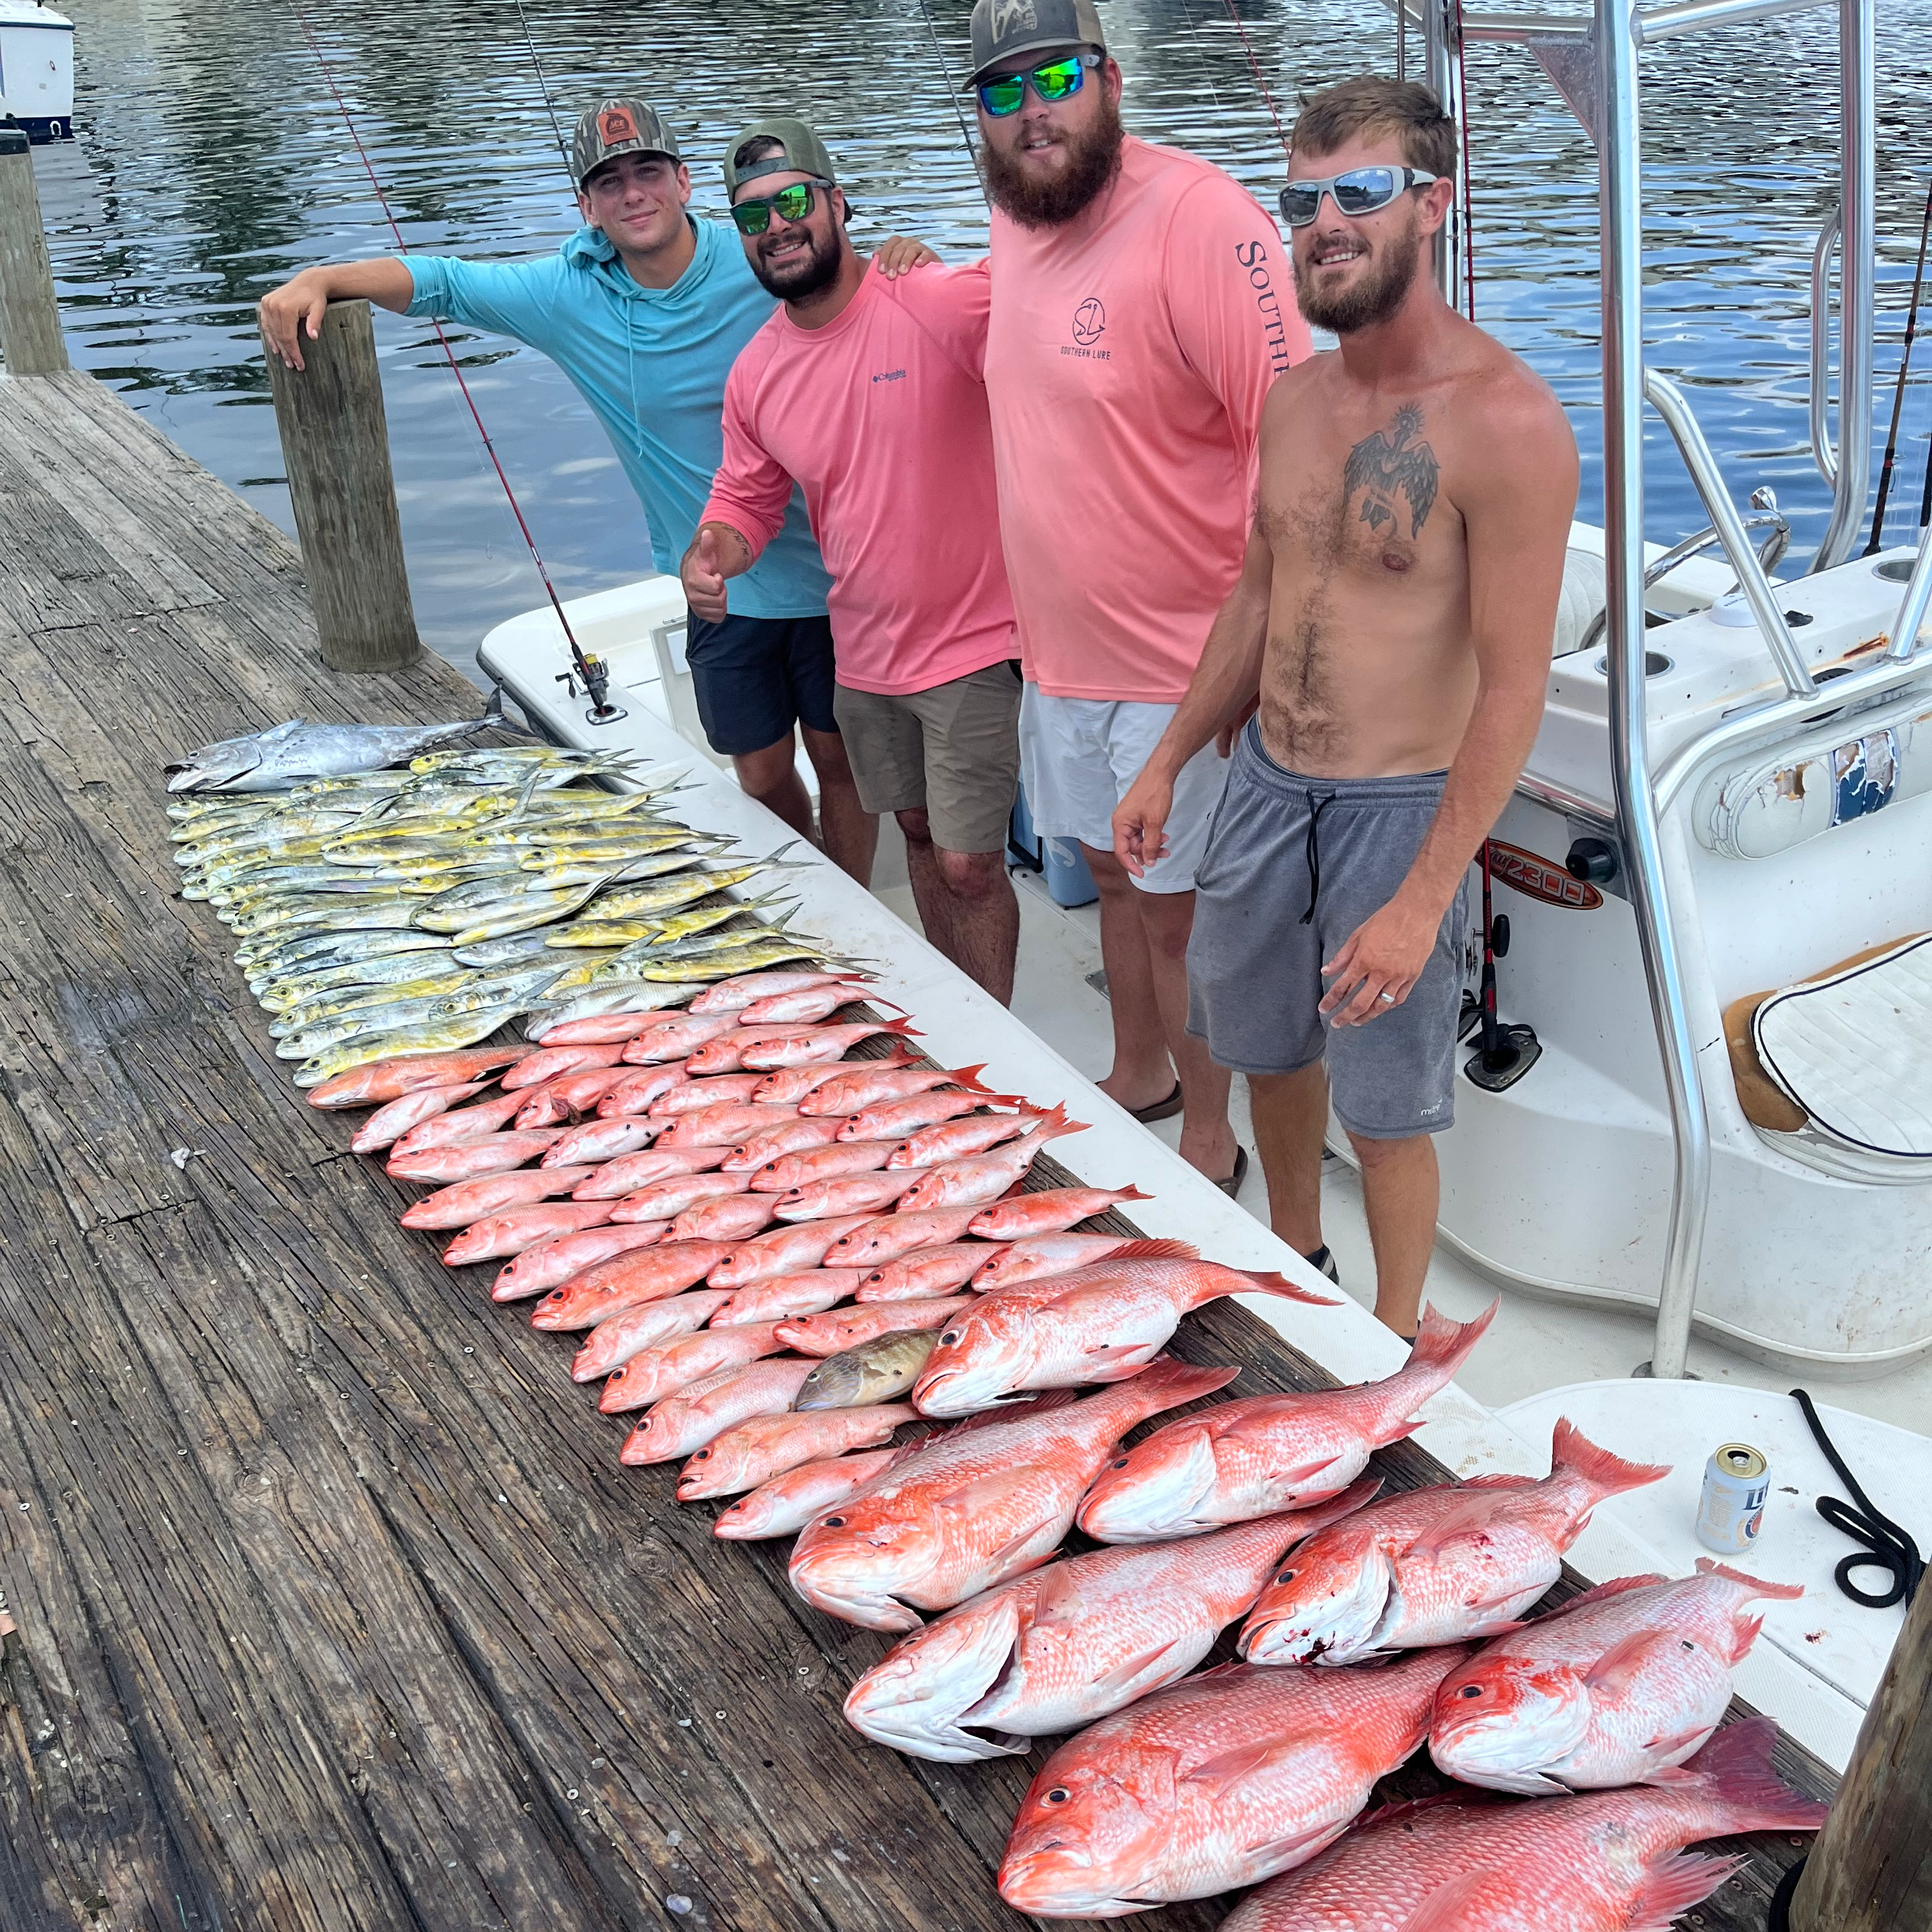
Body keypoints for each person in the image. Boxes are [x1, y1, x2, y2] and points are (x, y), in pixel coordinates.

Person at [1113, 77, 1579, 1336]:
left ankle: (1396, 1327)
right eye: (1302, 198)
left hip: (1398, 809)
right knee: (1267, 1051)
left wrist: (1424, 898)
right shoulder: (1294, 404)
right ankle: (1298, 1267)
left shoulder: (1509, 423)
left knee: (1387, 1107)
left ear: (1432, 202)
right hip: (1266, 783)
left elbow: (1517, 684)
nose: (1325, 221)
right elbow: (1259, 595)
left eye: (1360, 192)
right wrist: (1167, 758)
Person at [257, 96, 931, 883]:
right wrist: (323, 277)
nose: (633, 194)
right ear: (587, 206)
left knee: (838, 756)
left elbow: (852, 277)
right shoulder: (569, 294)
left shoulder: (759, 254)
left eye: (649, 171)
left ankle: (848, 899)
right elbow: (443, 282)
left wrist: (903, 255)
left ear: (683, 182)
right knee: (758, 770)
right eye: (610, 182)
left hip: (833, 571)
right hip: (719, 584)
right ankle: (814, 880)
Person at [967, 0, 1312, 1192]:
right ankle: (1140, 1068)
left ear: (1109, 79)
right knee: (1108, 875)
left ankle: (1211, 1139)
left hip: (1182, 665)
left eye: (1054, 75)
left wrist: (1257, 666)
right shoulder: (1014, 219)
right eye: (1001, 92)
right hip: (1057, 654)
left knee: (1178, 912)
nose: (1031, 110)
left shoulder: (1199, 219)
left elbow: (1290, 455)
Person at [682, 121, 1023, 1001]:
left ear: (838, 204)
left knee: (968, 863)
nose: (777, 225)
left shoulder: (931, 297)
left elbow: (1051, 313)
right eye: (752, 216)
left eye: (793, 200)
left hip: (977, 639)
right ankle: (959, 1015)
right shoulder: (757, 371)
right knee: (913, 828)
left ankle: (1001, 1049)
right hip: (864, 649)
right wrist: (711, 552)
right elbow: (747, 498)